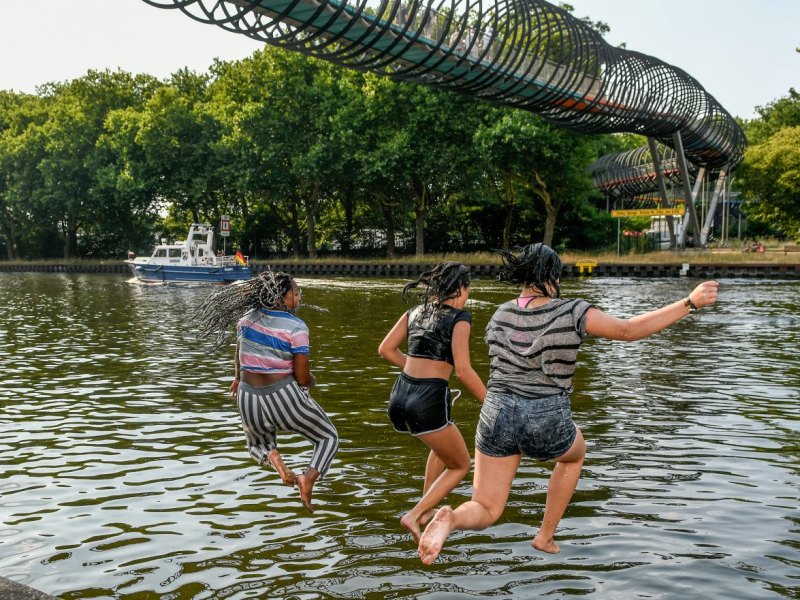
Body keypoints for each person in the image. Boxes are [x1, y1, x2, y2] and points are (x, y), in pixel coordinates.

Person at [418, 243, 719, 564]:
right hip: (542, 415)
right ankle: (545, 535)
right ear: (552, 276)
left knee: (488, 508)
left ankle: (451, 516)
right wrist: (690, 302)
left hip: (495, 414)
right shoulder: (572, 310)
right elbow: (629, 330)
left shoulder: (500, 313)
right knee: (574, 455)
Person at [195, 269, 339, 513]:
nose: (300, 297)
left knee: (258, 443)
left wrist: (236, 379)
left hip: (247, 395)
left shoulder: (245, 320)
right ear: (280, 297)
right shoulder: (297, 326)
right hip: (282, 394)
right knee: (328, 437)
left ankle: (279, 466)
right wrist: (311, 381)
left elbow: (238, 354)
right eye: (295, 292)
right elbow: (302, 377)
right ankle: (308, 478)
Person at [379, 262, 487, 542]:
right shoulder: (460, 317)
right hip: (427, 401)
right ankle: (415, 514)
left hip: (399, 397)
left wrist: (414, 369)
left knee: (441, 446)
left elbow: (386, 349)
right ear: (462, 288)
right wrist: (491, 402)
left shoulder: (414, 312)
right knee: (461, 465)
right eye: (468, 289)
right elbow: (463, 370)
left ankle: (425, 509)